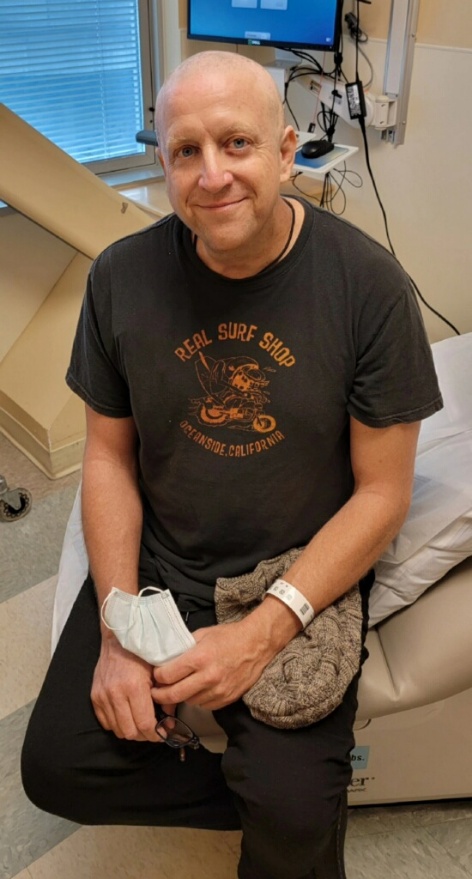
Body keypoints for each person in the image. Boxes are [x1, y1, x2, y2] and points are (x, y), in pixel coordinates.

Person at [21, 51, 442, 879]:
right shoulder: (120, 279)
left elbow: (383, 494)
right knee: (57, 767)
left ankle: (288, 802)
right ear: (163, 163)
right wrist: (117, 629)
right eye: (186, 150)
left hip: (294, 572)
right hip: (165, 560)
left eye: (237, 143)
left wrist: (262, 631)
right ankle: (259, 795)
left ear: (286, 152)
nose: (212, 175)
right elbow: (107, 458)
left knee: (294, 831)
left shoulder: (369, 289)